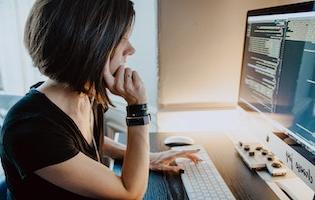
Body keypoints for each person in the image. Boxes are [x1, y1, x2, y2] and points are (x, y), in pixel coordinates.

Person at [0, 0, 200, 199]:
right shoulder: (31, 129)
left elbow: (76, 142)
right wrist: (137, 108)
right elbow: (130, 193)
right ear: (89, 44)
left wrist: (147, 158)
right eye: (122, 38)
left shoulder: (86, 94)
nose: (130, 49)